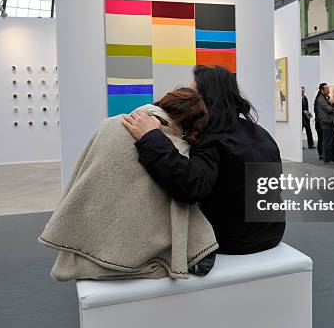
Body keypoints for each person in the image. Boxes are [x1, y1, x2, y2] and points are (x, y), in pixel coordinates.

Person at [40, 88, 219, 280]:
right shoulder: (178, 148)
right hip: (131, 244)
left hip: (90, 229)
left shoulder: (109, 124)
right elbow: (183, 197)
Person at [122, 66, 285, 254]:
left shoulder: (214, 139)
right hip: (272, 232)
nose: (188, 98)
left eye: (192, 93)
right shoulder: (258, 132)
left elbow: (191, 186)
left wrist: (151, 137)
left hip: (234, 240)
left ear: (207, 98)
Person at [314, 83, 334, 163]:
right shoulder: (321, 99)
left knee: (332, 140)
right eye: (327, 88)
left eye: (328, 88)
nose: (328, 90)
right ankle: (326, 158)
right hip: (326, 123)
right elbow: (329, 109)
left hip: (329, 122)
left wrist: (332, 104)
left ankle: (331, 157)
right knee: (327, 141)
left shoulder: (325, 98)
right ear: (322, 90)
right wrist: (333, 106)